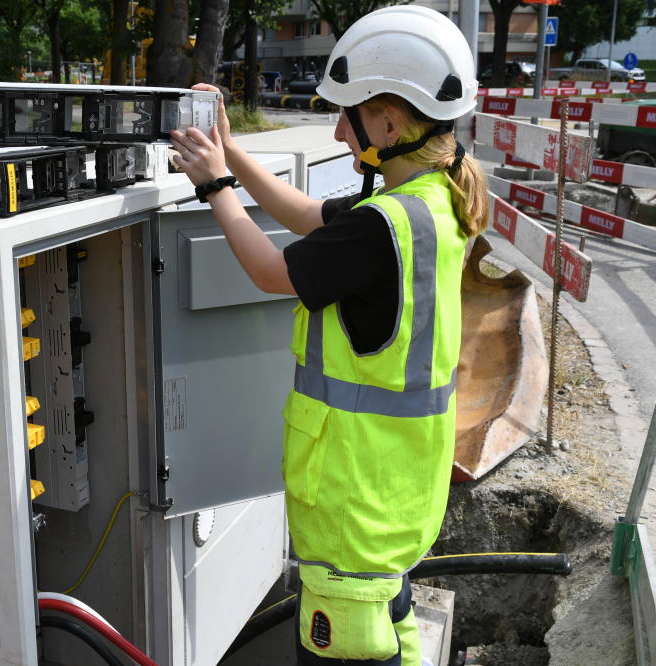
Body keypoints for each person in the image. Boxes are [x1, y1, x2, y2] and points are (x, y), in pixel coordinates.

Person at [169, 6, 487, 664]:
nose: (338, 128)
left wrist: (213, 185)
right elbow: (309, 214)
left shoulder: (380, 227)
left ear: (390, 123)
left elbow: (267, 268)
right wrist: (231, 153)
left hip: (350, 521)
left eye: (349, 113)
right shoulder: (432, 202)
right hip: (396, 508)